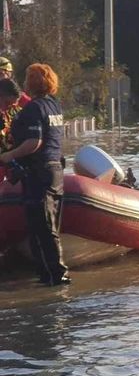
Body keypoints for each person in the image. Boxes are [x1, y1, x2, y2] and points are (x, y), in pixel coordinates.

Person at [0, 63, 70, 286]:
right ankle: (53, 275)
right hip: (55, 171)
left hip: (38, 173)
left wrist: (9, 155)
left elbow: (34, 142)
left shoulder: (33, 108)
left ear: (32, 83)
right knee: (51, 227)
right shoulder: (54, 106)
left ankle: (54, 276)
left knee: (41, 228)